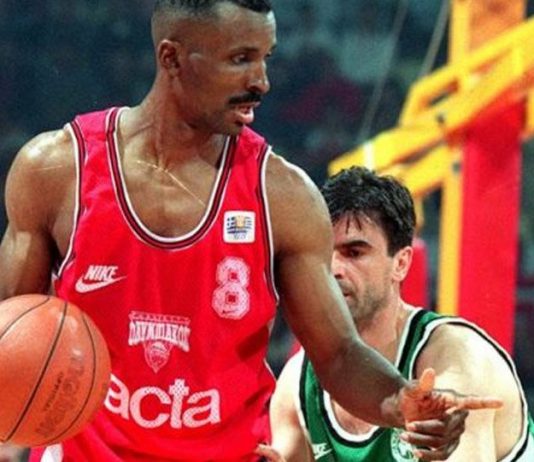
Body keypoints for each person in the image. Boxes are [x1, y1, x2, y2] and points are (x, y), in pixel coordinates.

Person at [0, 2, 500, 461]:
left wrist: (400, 401)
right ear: (172, 58)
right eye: (240, 59)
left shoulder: (282, 195)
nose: (261, 81)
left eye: (265, 59)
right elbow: (9, 332)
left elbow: (339, 355)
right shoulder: (57, 170)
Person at [269, 167, 534, 461]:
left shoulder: (457, 359)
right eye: (324, 253)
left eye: (354, 253)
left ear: (401, 263)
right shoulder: (296, 383)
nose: (334, 269)